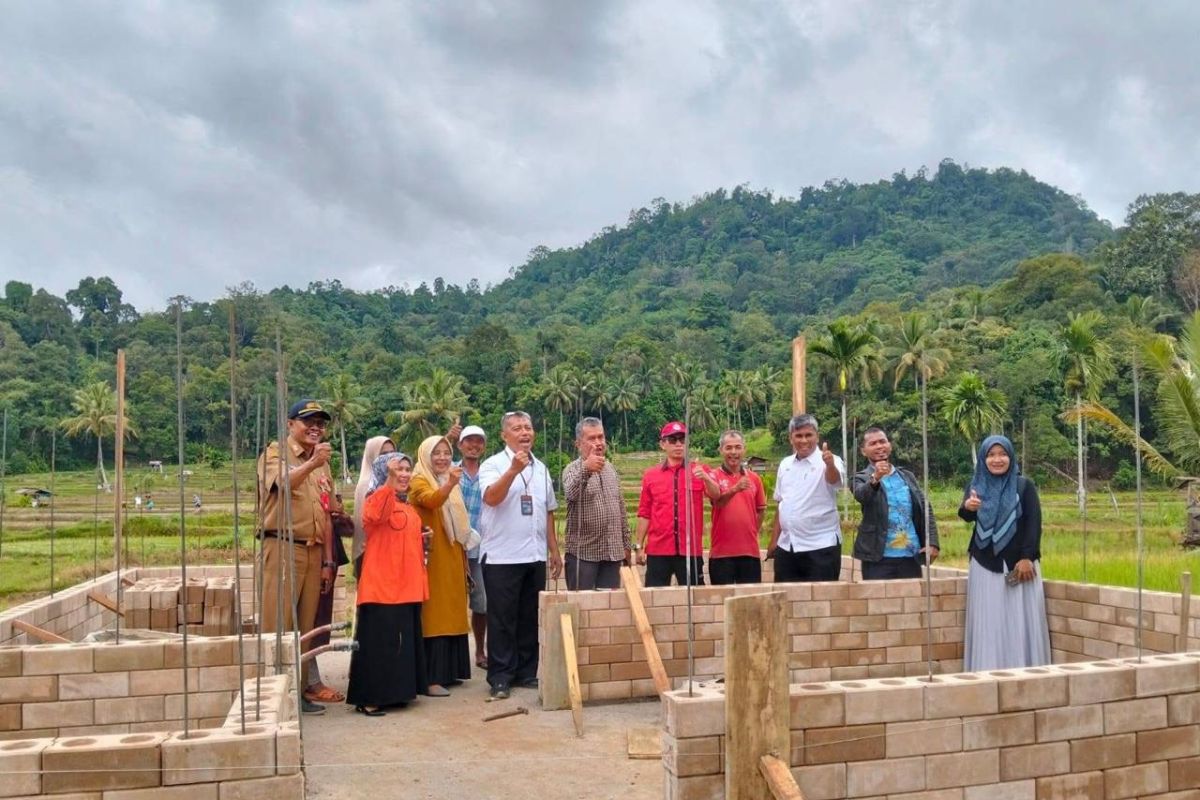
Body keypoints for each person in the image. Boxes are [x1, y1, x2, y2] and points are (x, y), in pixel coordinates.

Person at [257, 398, 340, 715]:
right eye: (309, 421)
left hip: (314, 549)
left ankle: (299, 689)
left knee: (306, 626)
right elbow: (282, 483)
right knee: (278, 621)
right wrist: (311, 464)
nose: (316, 427)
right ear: (291, 424)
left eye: (321, 422)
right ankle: (272, 691)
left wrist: (329, 560)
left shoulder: (323, 462)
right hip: (282, 546)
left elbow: (328, 509)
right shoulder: (276, 454)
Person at [479, 411, 562, 700]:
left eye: (528, 427)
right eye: (517, 428)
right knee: (502, 619)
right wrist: (513, 470)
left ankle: (527, 672)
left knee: (529, 616)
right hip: (502, 556)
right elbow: (491, 497)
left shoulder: (541, 468)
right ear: (505, 435)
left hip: (534, 554)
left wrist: (553, 550)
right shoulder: (493, 464)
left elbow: (548, 511)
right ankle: (501, 676)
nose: (524, 432)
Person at [345, 451, 429, 715]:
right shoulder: (376, 499)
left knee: (401, 644)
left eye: (406, 469)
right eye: (396, 469)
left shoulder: (407, 506)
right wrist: (389, 483)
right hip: (383, 587)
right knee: (378, 644)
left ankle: (397, 692)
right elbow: (374, 518)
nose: (403, 474)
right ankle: (369, 697)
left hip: (407, 586)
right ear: (383, 472)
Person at [959, 435, 1050, 671]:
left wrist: (1027, 557)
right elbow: (967, 514)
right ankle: (987, 668)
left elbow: (1033, 523)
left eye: (1002, 454)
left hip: (1019, 564)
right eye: (991, 455)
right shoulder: (975, 485)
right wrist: (967, 507)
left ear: (1011, 457)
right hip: (984, 562)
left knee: (1018, 619)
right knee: (989, 620)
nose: (997, 460)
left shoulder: (1024, 486)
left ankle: (1023, 668)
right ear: (983, 458)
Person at [409, 435, 474, 696]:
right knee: (434, 614)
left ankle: (450, 672)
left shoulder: (449, 480)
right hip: (430, 557)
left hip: (452, 553)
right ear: (425, 455)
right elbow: (432, 501)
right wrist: (449, 483)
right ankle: (430, 677)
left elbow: (459, 522)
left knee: (453, 610)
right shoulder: (418, 479)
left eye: (446, 453)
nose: (442, 458)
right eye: (436, 453)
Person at [850, 426, 939, 580]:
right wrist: (876, 477)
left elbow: (925, 508)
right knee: (879, 603)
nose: (879, 446)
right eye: (873, 443)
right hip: (878, 556)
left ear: (889, 445)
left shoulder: (907, 476)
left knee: (911, 602)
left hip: (911, 555)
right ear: (863, 451)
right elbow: (862, 495)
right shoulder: (860, 478)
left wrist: (933, 542)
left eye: (882, 441)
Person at [767, 414, 846, 583]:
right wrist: (774, 540)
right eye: (799, 436)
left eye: (808, 435)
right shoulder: (785, 464)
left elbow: (834, 479)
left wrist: (829, 464)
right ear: (791, 438)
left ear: (817, 436)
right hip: (787, 547)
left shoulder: (832, 461)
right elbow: (781, 503)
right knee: (785, 601)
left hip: (821, 547)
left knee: (821, 603)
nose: (804, 440)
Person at [562, 417, 632, 590]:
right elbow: (571, 493)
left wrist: (626, 544)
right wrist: (586, 469)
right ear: (578, 444)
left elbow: (621, 509)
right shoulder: (572, 469)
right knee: (581, 607)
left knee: (608, 610)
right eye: (591, 438)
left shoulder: (611, 470)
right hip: (583, 554)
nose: (598, 443)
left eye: (601, 437)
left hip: (612, 554)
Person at [636, 421, 706, 587]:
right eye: (673, 440)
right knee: (655, 600)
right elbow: (644, 513)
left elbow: (717, 495)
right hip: (658, 550)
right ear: (663, 444)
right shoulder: (650, 475)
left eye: (682, 439)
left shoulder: (699, 471)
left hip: (690, 550)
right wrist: (638, 545)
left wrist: (708, 479)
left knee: (695, 601)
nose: (678, 444)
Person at [695, 430, 766, 585]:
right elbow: (717, 501)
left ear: (744, 449)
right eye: (728, 448)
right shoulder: (713, 476)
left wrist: (752, 530)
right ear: (721, 450)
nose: (733, 452)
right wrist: (735, 489)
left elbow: (761, 510)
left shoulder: (754, 478)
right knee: (722, 602)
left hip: (750, 553)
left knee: (750, 602)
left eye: (737, 447)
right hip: (721, 554)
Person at [456, 425, 489, 669]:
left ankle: (479, 651)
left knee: (482, 603)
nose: (474, 445)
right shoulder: (450, 471)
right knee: (453, 603)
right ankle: (454, 657)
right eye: (469, 441)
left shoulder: (489, 472)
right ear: (460, 445)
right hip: (454, 548)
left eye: (479, 442)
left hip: (481, 550)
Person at [353, 436, 396, 580]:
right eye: (383, 454)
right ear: (373, 456)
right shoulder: (367, 484)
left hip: (392, 549)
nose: (389, 458)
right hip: (370, 550)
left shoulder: (399, 483)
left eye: (392, 453)